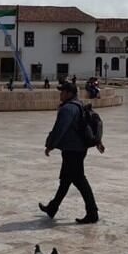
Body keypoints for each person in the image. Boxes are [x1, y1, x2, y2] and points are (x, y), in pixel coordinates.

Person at [39, 82, 104, 223]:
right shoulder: (78, 105)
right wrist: (97, 141)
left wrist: (50, 145)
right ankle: (52, 207)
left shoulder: (68, 109)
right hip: (77, 148)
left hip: (73, 150)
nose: (60, 94)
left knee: (80, 180)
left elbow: (59, 129)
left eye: (62, 92)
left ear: (69, 93)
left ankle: (92, 213)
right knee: (66, 180)